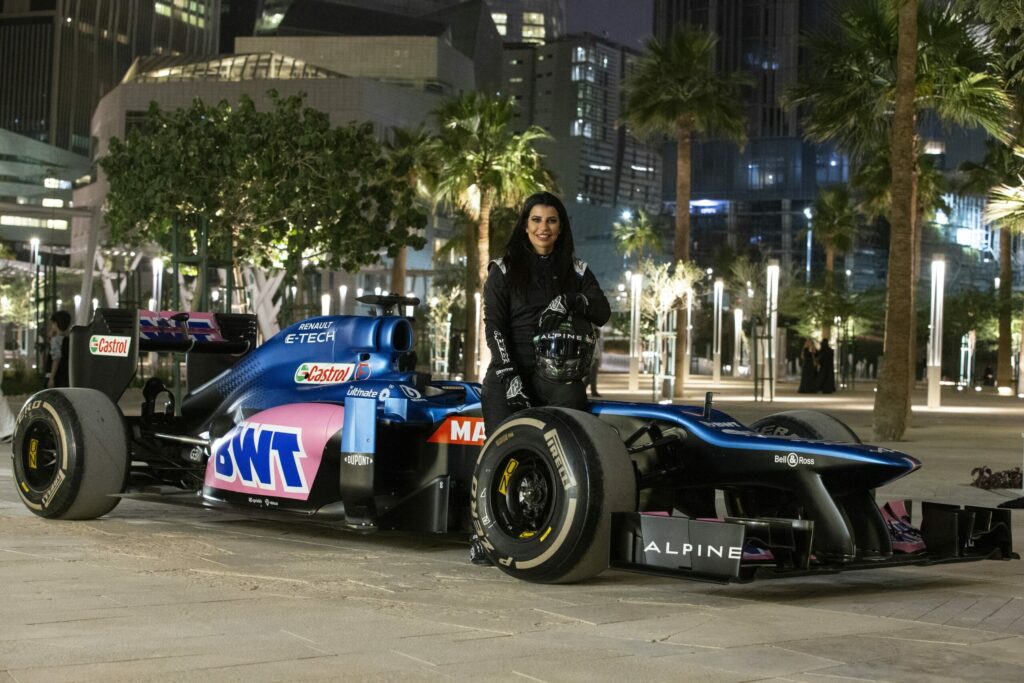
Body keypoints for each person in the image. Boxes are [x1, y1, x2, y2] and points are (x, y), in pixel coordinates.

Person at [472, 191, 610, 564]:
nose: (543, 227)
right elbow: (494, 327)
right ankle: (487, 538)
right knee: (499, 456)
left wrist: (573, 300)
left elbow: (602, 310)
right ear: (525, 225)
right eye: (536, 220)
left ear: (561, 226)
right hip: (507, 373)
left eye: (551, 220)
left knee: (571, 456)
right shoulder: (501, 269)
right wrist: (509, 376)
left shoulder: (577, 269)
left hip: (560, 376)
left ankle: (566, 534)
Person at [46, 310, 72, 389]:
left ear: (55, 324)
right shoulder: (69, 339)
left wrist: (51, 378)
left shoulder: (56, 340)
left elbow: (56, 359)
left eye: (52, 324)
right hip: (66, 377)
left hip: (57, 378)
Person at [586, 327, 603, 397]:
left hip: (595, 360)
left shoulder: (596, 341)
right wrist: (593, 360)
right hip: (593, 360)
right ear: (595, 333)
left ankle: (591, 391)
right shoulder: (592, 341)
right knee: (592, 377)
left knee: (590, 378)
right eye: (598, 333)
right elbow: (593, 352)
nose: (599, 334)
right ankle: (594, 392)